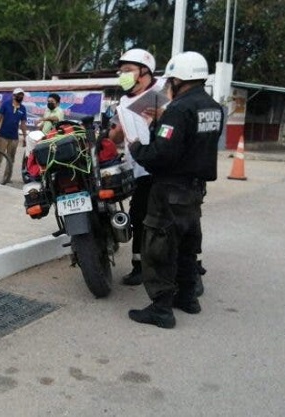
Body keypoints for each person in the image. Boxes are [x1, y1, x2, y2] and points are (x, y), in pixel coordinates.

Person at [127, 51, 223, 328]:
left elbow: (161, 154)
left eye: (171, 79)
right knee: (187, 247)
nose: (168, 85)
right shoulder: (212, 107)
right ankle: (188, 298)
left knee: (160, 248)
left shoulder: (180, 109)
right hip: (194, 191)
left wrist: (137, 147)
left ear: (179, 79)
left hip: (169, 189)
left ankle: (161, 310)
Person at [109, 48, 166, 287]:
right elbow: (113, 138)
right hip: (139, 170)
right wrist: (118, 130)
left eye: (129, 70)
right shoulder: (123, 102)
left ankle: (181, 267)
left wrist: (162, 115)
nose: (124, 75)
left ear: (144, 72)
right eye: (122, 71)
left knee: (164, 219)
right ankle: (139, 265)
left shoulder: (161, 93)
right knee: (139, 216)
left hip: (161, 169)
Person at [0, 87, 28, 182]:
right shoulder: (5, 105)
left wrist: (25, 137)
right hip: (2, 135)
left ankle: (7, 178)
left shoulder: (23, 108)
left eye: (22, 95)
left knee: (11, 159)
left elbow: (23, 124)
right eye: (19, 95)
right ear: (14, 95)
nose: (21, 96)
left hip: (14, 137)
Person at [24, 93, 65, 157]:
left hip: (53, 136)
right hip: (43, 134)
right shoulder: (47, 110)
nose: (49, 103)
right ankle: (30, 156)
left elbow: (56, 118)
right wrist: (37, 129)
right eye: (48, 101)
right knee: (29, 136)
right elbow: (43, 124)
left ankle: (31, 156)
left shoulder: (59, 110)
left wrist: (43, 119)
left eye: (52, 101)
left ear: (57, 103)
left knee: (32, 140)